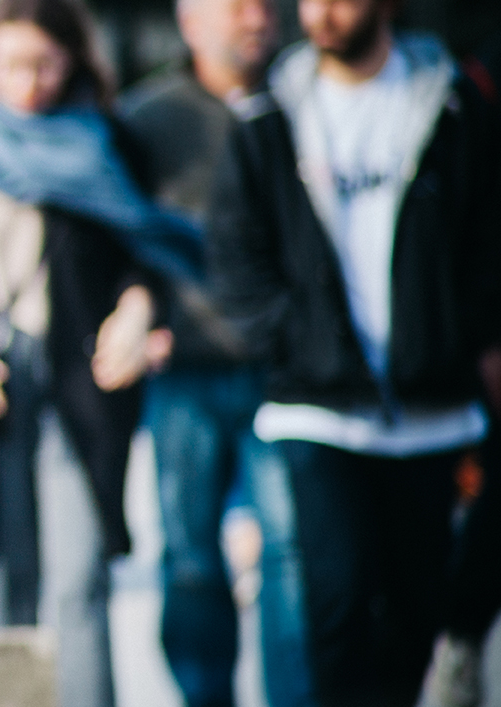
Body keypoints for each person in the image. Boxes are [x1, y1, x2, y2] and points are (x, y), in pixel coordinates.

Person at [0, 0, 199, 703]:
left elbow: (144, 252)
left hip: (79, 389)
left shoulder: (105, 142)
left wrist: (139, 307)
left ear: (74, 62)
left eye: (46, 65)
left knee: (78, 580)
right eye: (11, 66)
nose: (29, 83)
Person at [207, 0, 501, 704]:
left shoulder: (452, 106)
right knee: (335, 601)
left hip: (429, 406)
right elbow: (235, 253)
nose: (322, 12)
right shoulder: (268, 116)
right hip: (318, 405)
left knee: (415, 611)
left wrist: (458, 339)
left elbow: (486, 243)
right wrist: (294, 340)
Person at [94, 1, 315, 705]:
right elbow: (115, 236)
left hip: (283, 368)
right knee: (189, 557)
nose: (255, 17)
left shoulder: (300, 105)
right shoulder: (146, 117)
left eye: (263, 5)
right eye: (234, 5)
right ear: (191, 21)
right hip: (183, 369)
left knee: (288, 550)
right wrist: (135, 309)